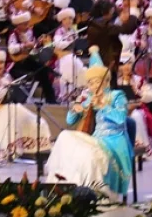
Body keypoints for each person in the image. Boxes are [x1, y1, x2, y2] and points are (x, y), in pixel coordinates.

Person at [47, 47, 133, 200]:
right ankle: (66, 190)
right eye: (91, 84)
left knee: (88, 156)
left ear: (106, 82)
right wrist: (75, 109)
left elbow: (120, 118)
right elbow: (69, 121)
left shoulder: (116, 96)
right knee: (65, 136)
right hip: (96, 139)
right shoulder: (89, 98)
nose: (94, 86)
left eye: (97, 82)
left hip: (114, 141)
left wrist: (102, 106)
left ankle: (95, 194)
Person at [0, 50, 52, 163]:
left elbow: (15, 90)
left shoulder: (7, 76)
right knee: (10, 124)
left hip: (13, 106)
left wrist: (12, 86)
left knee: (36, 121)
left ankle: (36, 150)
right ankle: (9, 151)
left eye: (1, 63)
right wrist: (6, 87)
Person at [117, 55, 152, 160]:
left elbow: (150, 96)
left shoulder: (138, 80)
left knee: (136, 117)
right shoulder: (115, 81)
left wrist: (138, 92)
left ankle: (141, 151)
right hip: (119, 109)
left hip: (136, 108)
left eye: (129, 63)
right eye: (123, 64)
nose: (126, 67)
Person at [86, 0, 140, 75]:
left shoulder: (94, 24)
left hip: (100, 61)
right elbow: (127, 29)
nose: (112, 14)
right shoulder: (103, 26)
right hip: (107, 63)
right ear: (104, 12)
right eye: (111, 11)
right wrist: (134, 10)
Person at [52, 7, 87, 102]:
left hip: (72, 56)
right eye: (66, 19)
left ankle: (77, 92)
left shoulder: (73, 31)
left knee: (80, 67)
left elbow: (77, 48)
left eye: (71, 19)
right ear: (62, 21)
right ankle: (65, 94)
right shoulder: (59, 31)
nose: (69, 21)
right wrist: (70, 42)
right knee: (70, 65)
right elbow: (57, 44)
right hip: (62, 57)